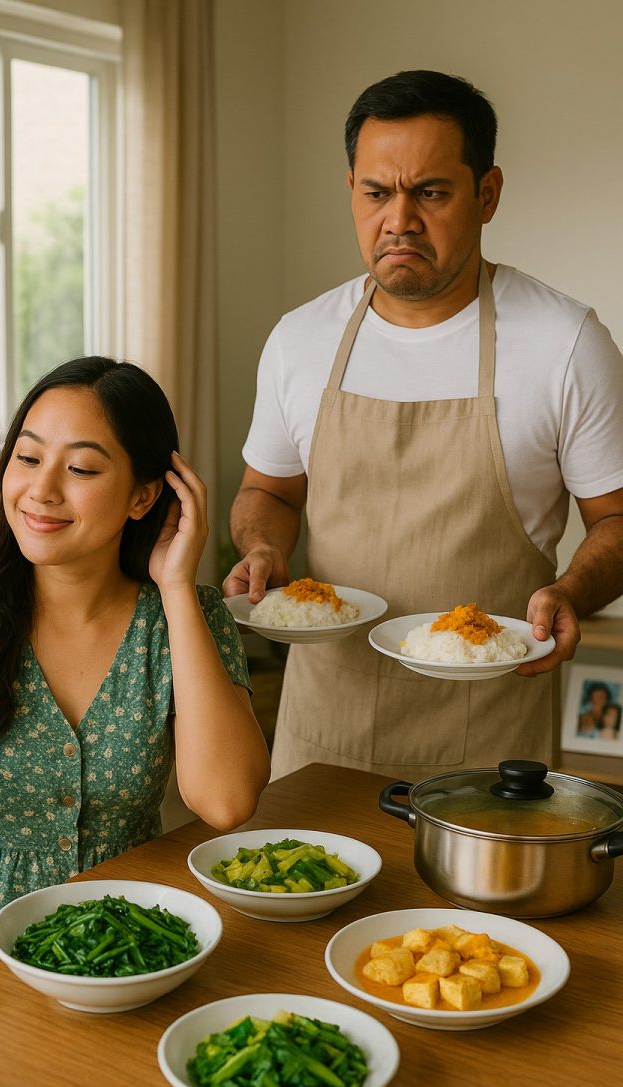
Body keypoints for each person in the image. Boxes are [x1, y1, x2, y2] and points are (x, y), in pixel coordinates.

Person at [224, 69, 623, 781]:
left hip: (491, 738)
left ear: (487, 194)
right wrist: (262, 548)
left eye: (431, 193)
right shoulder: (299, 340)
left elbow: (617, 520)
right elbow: (270, 492)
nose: (399, 219)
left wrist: (570, 593)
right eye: (377, 193)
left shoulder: (565, 343)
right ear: (351, 189)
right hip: (324, 731)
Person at [0, 356, 270, 965]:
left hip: (116, 944)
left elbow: (227, 802)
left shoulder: (184, 617)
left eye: (80, 468)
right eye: (28, 458)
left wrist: (177, 588)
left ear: (143, 496)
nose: (42, 490)